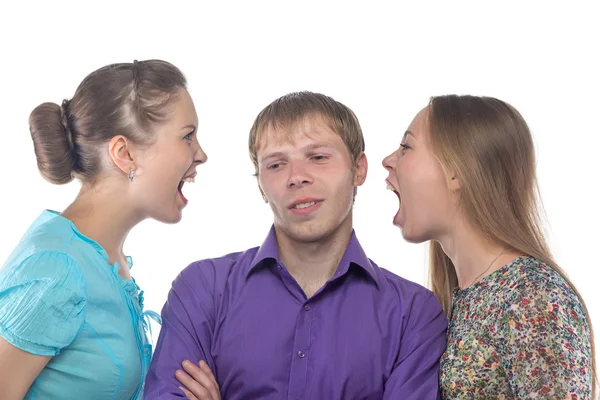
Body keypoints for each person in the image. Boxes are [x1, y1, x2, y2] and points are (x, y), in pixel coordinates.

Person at [144, 91, 448, 400]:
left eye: (318, 157)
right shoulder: (202, 289)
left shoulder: (414, 314)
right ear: (261, 185)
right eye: (276, 165)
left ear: (359, 169)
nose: (297, 177)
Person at [0, 59, 207, 400]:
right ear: (125, 154)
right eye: (187, 136)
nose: (201, 154)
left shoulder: (103, 261)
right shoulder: (56, 268)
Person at [382, 94, 596, 399]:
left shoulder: (533, 297)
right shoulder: (459, 299)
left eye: (406, 148)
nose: (388, 160)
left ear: (456, 171)